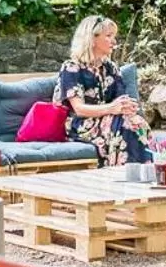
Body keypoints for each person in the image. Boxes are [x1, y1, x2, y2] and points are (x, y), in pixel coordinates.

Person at [55, 14, 151, 166]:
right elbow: (79, 109)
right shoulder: (72, 68)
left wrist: (128, 106)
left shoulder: (111, 67)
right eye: (108, 36)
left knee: (136, 122)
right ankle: (126, 173)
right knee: (126, 125)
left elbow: (121, 100)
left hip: (111, 120)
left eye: (114, 36)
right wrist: (112, 108)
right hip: (82, 125)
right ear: (92, 39)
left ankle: (141, 172)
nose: (114, 41)